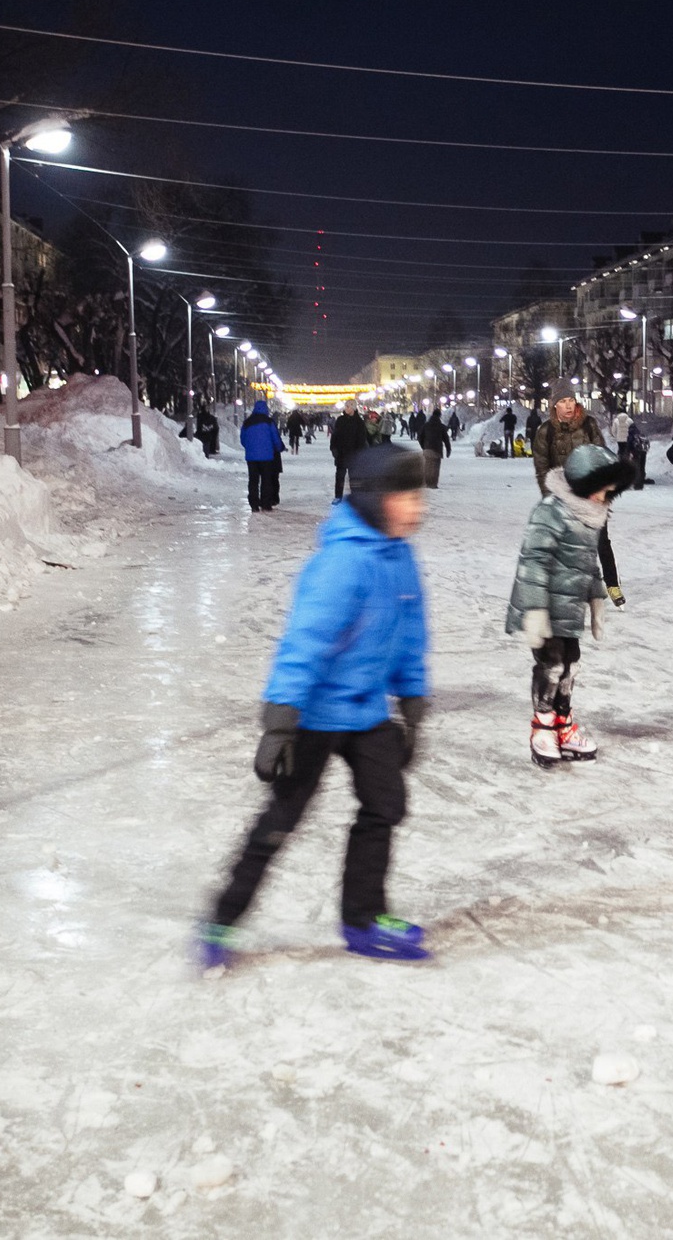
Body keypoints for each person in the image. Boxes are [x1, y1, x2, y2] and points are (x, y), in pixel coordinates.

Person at [196, 444, 433, 967]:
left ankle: (363, 919)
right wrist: (280, 723)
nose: (417, 508)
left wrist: (412, 698)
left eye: (419, 496)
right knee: (283, 818)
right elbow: (303, 644)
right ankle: (222, 919)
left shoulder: (399, 556)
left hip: (368, 711)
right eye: (405, 497)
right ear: (373, 500)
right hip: (316, 716)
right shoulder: (341, 564)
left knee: (385, 806)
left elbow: (409, 635)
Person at [508, 443, 635, 767]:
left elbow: (588, 563)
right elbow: (533, 561)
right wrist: (535, 611)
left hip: (570, 609)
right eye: (600, 489)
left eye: (610, 491)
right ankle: (543, 727)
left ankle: (563, 725)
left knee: (570, 666)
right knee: (550, 666)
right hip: (545, 608)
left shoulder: (590, 514)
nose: (603, 497)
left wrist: (596, 598)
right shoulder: (550, 510)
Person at [531, 379, 623, 605]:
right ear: (554, 405)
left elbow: (601, 456)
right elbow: (542, 469)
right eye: (563, 401)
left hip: (591, 495)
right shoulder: (545, 432)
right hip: (564, 498)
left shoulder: (589, 425)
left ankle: (612, 584)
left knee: (601, 542)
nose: (569, 405)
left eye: (571, 400)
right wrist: (550, 499)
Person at [241, 399, 283, 512]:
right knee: (266, 480)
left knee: (253, 480)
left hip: (251, 458)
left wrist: (250, 448)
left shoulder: (247, 422)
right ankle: (266, 503)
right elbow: (275, 438)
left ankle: (254, 504)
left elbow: (243, 439)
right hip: (267, 457)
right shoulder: (269, 422)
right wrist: (279, 448)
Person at [328, 403, 369, 501]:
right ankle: (338, 496)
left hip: (354, 454)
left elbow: (362, 439)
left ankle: (355, 497)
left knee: (354, 478)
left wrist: (359, 453)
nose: (346, 408)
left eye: (348, 406)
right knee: (339, 476)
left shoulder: (359, 422)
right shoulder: (340, 420)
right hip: (341, 454)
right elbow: (335, 436)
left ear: (353, 408)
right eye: (345, 406)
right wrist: (334, 449)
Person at [415, 409, 451, 488]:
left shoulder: (426, 425)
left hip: (427, 449)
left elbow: (420, 436)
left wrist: (423, 446)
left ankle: (428, 482)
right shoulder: (441, 426)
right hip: (437, 450)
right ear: (439, 416)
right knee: (435, 467)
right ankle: (434, 483)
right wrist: (448, 450)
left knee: (428, 466)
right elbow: (446, 439)